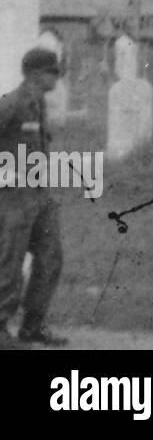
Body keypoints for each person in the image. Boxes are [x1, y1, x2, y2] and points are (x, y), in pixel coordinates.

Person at [0, 47, 67, 348]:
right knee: (10, 261)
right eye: (54, 71)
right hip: (14, 197)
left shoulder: (39, 104)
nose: (57, 77)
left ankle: (33, 325)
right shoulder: (12, 104)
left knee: (51, 256)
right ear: (37, 73)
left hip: (39, 195)